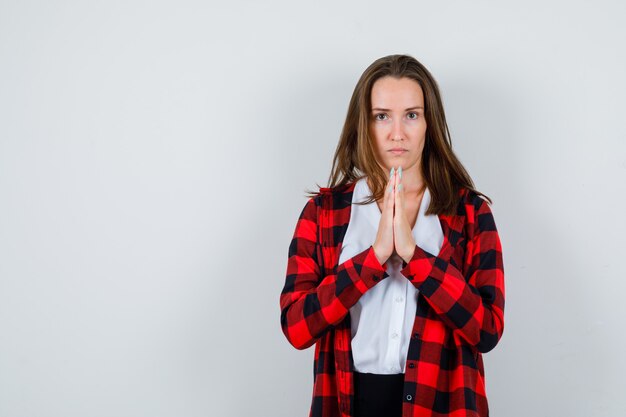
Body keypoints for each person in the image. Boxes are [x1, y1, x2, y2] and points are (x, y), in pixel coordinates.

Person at [279, 54, 505, 417]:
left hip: (442, 404)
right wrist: (375, 257)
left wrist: (415, 256)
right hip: (349, 403)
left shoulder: (471, 214)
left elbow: (487, 330)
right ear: (363, 124)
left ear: (429, 123)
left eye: (411, 115)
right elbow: (297, 328)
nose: (397, 133)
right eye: (381, 116)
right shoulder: (324, 213)